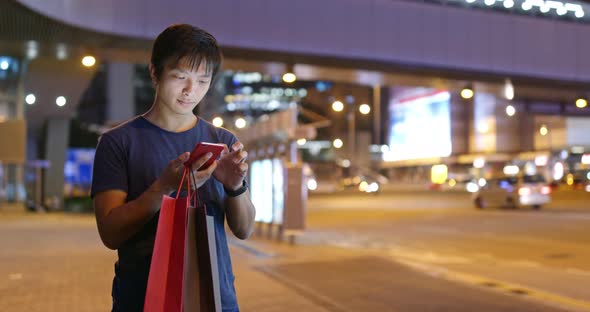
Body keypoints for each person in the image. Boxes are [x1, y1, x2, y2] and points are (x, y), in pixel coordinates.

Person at [91, 24, 256, 312]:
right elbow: (110, 233)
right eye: (180, 77)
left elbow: (244, 229)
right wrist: (163, 188)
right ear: (154, 72)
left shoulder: (222, 141)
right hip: (142, 300)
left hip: (215, 298)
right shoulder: (117, 142)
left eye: (203, 81)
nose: (191, 91)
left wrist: (234, 186)